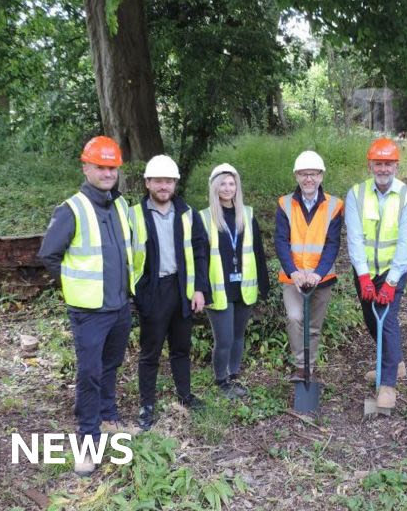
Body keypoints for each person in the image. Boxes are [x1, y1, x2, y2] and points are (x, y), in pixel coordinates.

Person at [37, 135, 139, 476]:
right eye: (101, 167)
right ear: (86, 167)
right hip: (89, 313)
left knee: (111, 366)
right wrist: (75, 288)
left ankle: (109, 417)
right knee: (90, 374)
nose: (108, 173)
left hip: (120, 307)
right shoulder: (72, 209)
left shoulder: (121, 205)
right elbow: (49, 255)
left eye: (113, 167)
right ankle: (87, 441)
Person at [128, 154, 210, 430]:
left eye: (169, 181)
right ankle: (146, 407)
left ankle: (185, 396)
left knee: (181, 349)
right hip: (152, 290)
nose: (164, 186)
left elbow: (200, 253)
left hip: (182, 288)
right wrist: (137, 293)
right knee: (150, 352)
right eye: (158, 181)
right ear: (148, 182)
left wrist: (199, 289)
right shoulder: (134, 215)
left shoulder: (188, 214)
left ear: (175, 184)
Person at [344, 138, 407, 410]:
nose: (383, 169)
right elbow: (354, 237)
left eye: (388, 163)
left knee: (386, 319)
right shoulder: (356, 194)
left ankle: (387, 384)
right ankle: (395, 361)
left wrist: (391, 281)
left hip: (394, 269)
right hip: (365, 268)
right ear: (370, 165)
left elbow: (406, 243)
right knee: (370, 318)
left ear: (396, 166)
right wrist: (363, 276)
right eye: (379, 163)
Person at [201, 163, 271, 399]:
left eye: (232, 183)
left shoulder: (247, 214)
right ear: (214, 187)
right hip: (218, 288)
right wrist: (200, 289)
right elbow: (199, 258)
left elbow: (258, 252)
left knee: (239, 336)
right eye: (223, 183)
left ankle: (234, 376)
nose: (228, 188)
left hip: (244, 286)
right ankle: (221, 381)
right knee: (225, 338)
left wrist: (264, 284)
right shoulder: (204, 217)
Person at [275, 151, 344, 382]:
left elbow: (333, 243)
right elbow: (281, 240)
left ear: (321, 176)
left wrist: (317, 274)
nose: (308, 179)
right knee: (295, 318)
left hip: (321, 279)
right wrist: (293, 271)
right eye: (304, 174)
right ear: (296, 176)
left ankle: (308, 369)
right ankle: (299, 364)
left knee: (313, 326)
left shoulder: (334, 205)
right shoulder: (285, 204)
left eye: (313, 174)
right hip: (292, 277)